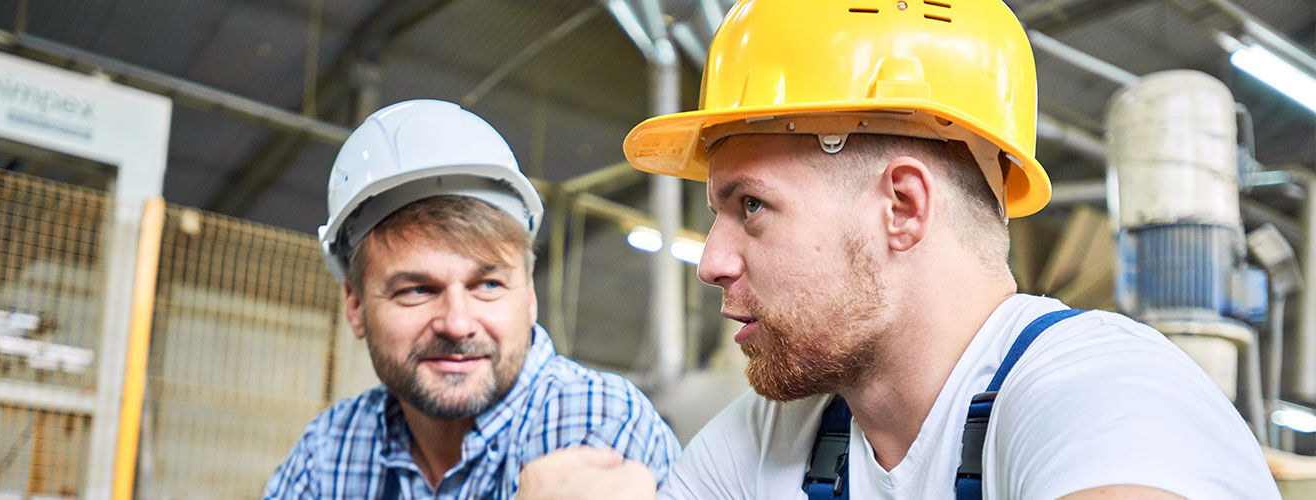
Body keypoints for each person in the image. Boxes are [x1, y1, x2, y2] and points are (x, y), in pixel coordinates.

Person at [517, 1, 1281, 499]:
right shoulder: (776, 438)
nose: (711, 260)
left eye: (751, 206)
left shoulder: (1104, 395)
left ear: (902, 207)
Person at [265, 99, 679, 499]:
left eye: (488, 285)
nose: (458, 323)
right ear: (355, 306)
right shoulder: (331, 449)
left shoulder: (593, 420)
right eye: (417, 290)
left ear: (529, 294)